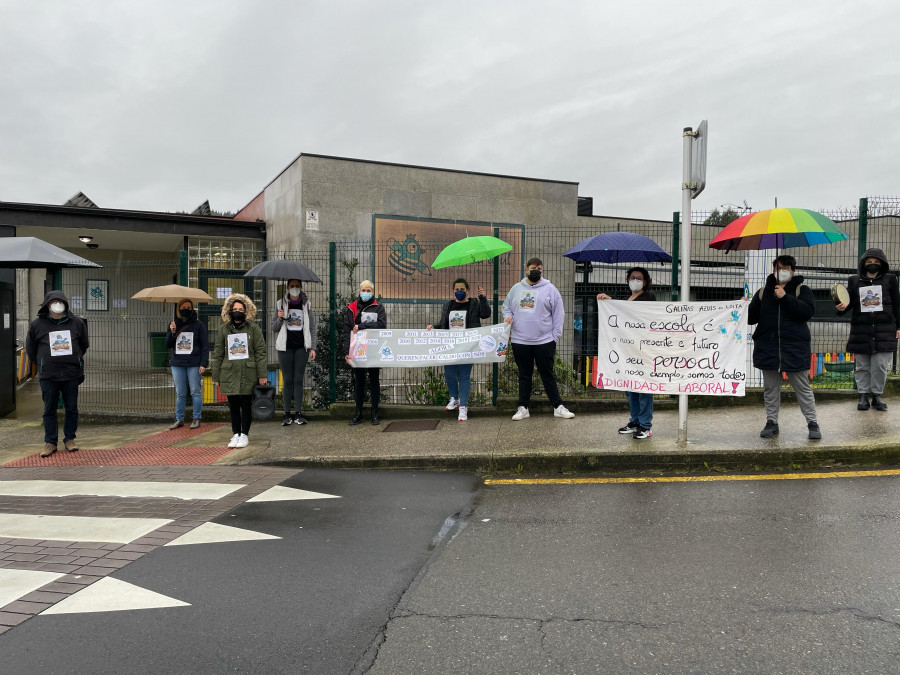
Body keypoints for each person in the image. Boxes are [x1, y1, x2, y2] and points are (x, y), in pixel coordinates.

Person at [748, 255, 821, 440]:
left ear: (793, 270)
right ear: (773, 270)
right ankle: (771, 422)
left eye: (786, 267)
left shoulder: (801, 290)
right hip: (768, 348)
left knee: (803, 388)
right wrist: (743, 307)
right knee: (770, 389)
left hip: (795, 349)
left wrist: (785, 297)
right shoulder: (763, 292)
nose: (782, 271)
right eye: (778, 267)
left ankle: (812, 423)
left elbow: (806, 312)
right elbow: (750, 319)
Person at [502, 257, 575, 421]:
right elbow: (506, 307)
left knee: (548, 374)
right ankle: (523, 408)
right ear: (526, 269)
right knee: (524, 375)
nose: (537, 270)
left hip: (544, 341)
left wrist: (555, 336)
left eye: (540, 268)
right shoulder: (515, 289)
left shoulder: (551, 289)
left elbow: (559, 313)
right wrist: (507, 317)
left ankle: (558, 407)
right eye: (534, 267)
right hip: (520, 340)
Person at [25, 290, 89, 458]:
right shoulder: (37, 325)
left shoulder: (76, 323)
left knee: (72, 408)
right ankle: (50, 442)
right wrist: (41, 362)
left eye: (59, 301)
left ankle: (70, 439)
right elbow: (31, 349)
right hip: (48, 375)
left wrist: (75, 357)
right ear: (47, 304)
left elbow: (84, 344)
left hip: (71, 373)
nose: (57, 304)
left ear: (65, 304)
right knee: (49, 409)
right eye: (53, 301)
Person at [836, 248, 900, 411]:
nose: (872, 264)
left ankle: (877, 395)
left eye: (876, 262)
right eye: (869, 262)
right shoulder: (854, 281)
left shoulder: (891, 280)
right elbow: (848, 303)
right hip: (861, 330)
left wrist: (899, 326)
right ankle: (863, 395)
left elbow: (897, 304)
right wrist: (841, 307)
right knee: (862, 365)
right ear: (863, 263)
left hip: (885, 330)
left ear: (882, 264)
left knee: (880, 364)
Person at [597, 266, 656, 439]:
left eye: (639, 278)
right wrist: (608, 302)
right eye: (632, 277)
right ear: (627, 280)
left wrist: (614, 303)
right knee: (631, 388)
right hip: (627, 352)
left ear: (645, 282)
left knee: (644, 389)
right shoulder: (626, 299)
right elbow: (622, 314)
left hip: (643, 351)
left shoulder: (649, 298)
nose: (635, 280)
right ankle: (635, 421)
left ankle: (645, 425)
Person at [427, 278, 491, 421]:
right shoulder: (448, 305)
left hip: (468, 346)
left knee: (463, 376)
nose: (459, 292)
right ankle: (454, 398)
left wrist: (483, 298)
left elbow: (486, 314)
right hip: (450, 346)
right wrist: (433, 327)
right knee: (449, 374)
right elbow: (444, 324)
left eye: (462, 289)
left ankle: (463, 407)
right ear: (453, 291)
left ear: (468, 290)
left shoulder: (474, 303)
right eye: (457, 289)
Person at [210, 294, 268, 449]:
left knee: (246, 404)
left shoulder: (253, 329)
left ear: (246, 311)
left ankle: (245, 434)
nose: (237, 311)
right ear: (229, 311)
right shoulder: (223, 330)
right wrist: (216, 376)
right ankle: (235, 433)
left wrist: (262, 374)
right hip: (229, 372)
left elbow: (261, 352)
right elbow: (218, 353)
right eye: (234, 309)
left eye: (240, 309)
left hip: (248, 372)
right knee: (233, 405)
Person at [272, 279, 317, 425]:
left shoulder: (307, 305)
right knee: (288, 380)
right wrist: (280, 318)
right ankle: (286, 414)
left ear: (301, 288)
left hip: (301, 348)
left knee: (298, 379)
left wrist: (313, 347)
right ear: (287, 288)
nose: (295, 289)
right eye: (292, 286)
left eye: (297, 286)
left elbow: (312, 328)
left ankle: (298, 413)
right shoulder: (280, 304)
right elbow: (274, 328)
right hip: (285, 347)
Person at [342, 280, 386, 426]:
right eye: (364, 290)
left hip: (373, 349)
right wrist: (346, 352)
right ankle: (358, 413)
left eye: (369, 291)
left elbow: (381, 324)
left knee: (374, 381)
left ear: (373, 293)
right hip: (357, 350)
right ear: (359, 291)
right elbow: (347, 331)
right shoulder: (352, 308)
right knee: (359, 382)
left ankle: (374, 412)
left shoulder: (378, 307)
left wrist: (361, 326)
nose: (366, 293)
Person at [165, 299, 209, 430]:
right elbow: (167, 344)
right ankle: (179, 419)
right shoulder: (173, 324)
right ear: (178, 309)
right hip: (177, 363)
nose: (186, 309)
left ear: (192, 309)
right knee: (180, 393)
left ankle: (196, 418)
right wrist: (172, 332)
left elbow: (204, 346)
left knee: (195, 391)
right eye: (183, 307)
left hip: (194, 363)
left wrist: (203, 363)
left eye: (189, 307)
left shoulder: (199, 325)